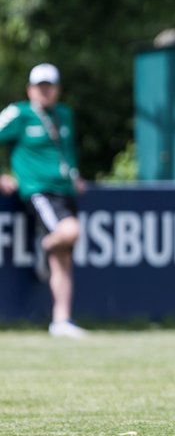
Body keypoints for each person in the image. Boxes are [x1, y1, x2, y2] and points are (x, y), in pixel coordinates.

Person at [0, 63, 89, 338]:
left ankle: (61, 320)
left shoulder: (64, 115)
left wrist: (74, 175)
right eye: (40, 87)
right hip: (40, 191)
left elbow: (67, 152)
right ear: (30, 89)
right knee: (69, 232)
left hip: (65, 191)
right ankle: (44, 245)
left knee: (63, 258)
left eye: (50, 86)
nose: (45, 92)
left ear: (57, 89)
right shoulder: (19, 114)